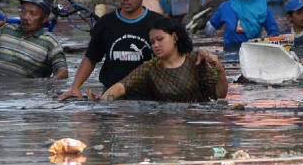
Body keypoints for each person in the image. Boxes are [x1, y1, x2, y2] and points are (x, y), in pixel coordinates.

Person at [57, 0, 165, 100]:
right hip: (110, 95)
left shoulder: (158, 23)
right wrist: (75, 87)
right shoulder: (106, 23)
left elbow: (171, 59)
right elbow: (91, 58)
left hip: (147, 96)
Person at [87, 17, 227, 102]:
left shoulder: (195, 61)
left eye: (160, 39)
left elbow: (220, 95)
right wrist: (104, 100)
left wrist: (220, 71)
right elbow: (121, 87)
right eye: (152, 42)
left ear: (175, 37)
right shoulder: (150, 68)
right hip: (164, 123)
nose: (156, 45)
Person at [0, 0, 68, 79]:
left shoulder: (50, 42)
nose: (25, 17)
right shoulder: (6, 30)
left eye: (32, 13)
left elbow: (63, 72)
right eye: (22, 11)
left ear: (45, 18)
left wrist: (46, 85)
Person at [205, 0, 280, 50]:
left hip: (254, 53)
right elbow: (209, 30)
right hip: (230, 53)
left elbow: (274, 34)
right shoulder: (225, 8)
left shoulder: (262, 8)